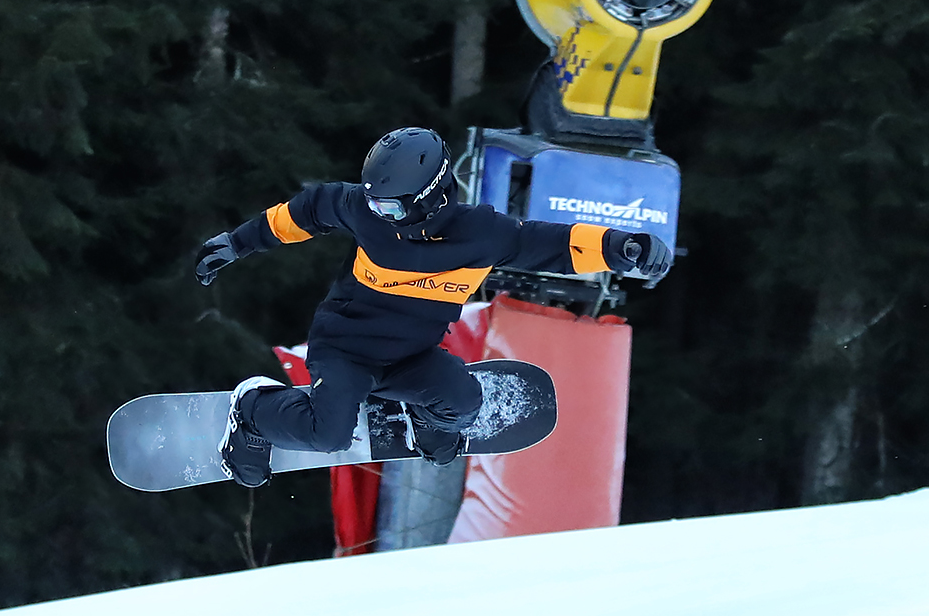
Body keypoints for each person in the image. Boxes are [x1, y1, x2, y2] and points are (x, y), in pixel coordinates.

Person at [194, 127, 672, 487]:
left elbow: (555, 244)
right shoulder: (364, 209)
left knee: (462, 405)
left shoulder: (483, 236)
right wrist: (238, 243)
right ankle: (252, 409)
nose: (378, 214)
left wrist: (623, 247)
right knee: (328, 436)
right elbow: (308, 210)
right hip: (345, 350)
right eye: (374, 203)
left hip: (411, 357)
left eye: (390, 207)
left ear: (432, 198)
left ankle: (420, 417)